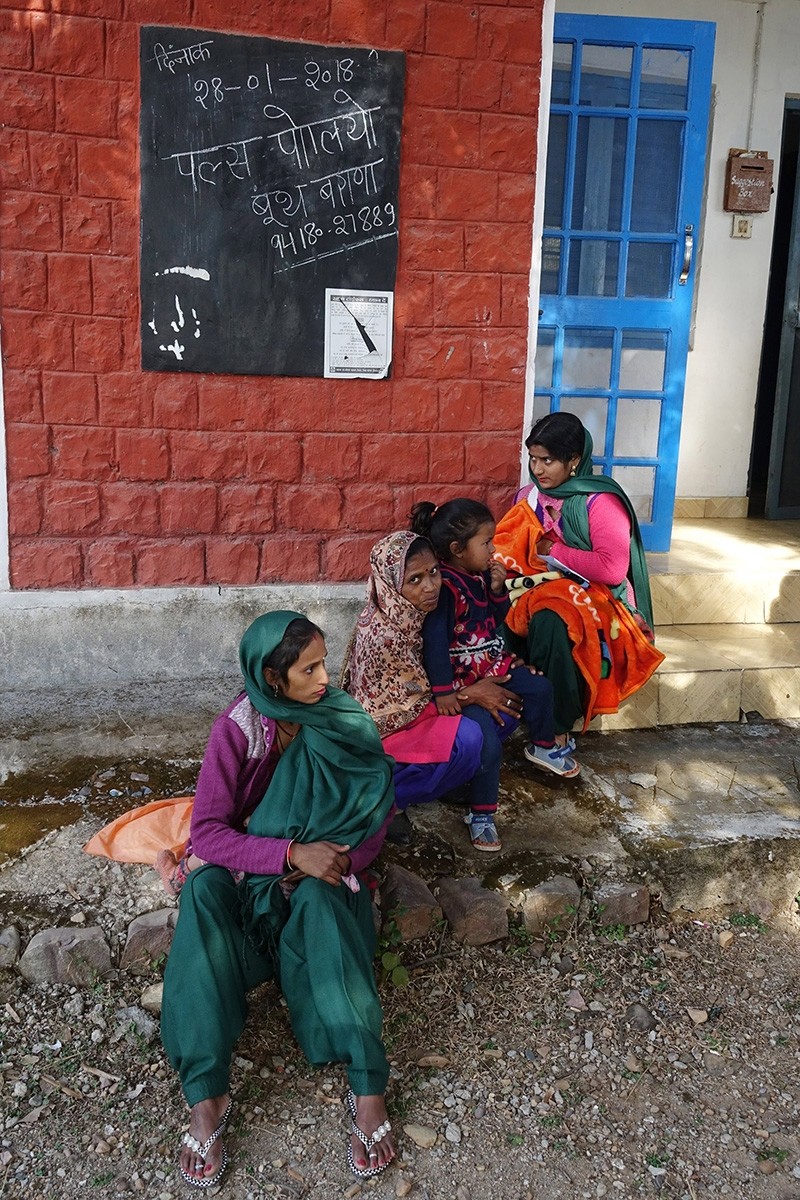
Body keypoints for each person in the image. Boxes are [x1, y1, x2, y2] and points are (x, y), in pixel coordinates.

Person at [161, 611, 397, 1189]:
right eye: (307, 669)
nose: (324, 678)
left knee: (319, 899)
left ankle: (369, 1084)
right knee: (202, 886)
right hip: (254, 886)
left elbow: (375, 812)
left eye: (324, 662)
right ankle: (206, 1094)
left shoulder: (339, 717)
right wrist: (290, 855)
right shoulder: (238, 731)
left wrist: (336, 861)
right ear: (272, 680)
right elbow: (211, 834)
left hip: (322, 885)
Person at [409, 499, 581, 854]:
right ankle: (482, 814)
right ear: (457, 550)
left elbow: (493, 619)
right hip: (461, 680)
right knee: (485, 735)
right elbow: (435, 644)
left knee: (539, 686)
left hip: (489, 666)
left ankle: (543, 746)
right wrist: (444, 692)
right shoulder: (445, 590)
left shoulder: (477, 577)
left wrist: (499, 591)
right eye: (486, 542)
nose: (493, 548)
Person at [493, 411, 665, 741]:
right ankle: (516, 699)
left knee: (552, 620)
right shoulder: (527, 497)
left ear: (574, 459)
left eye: (548, 460)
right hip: (538, 587)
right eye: (533, 459)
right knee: (499, 605)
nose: (538, 469)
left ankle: (555, 728)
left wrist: (552, 552)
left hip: (598, 595)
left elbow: (611, 569)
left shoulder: (601, 501)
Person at [341, 530, 484, 846]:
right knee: (470, 738)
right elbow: (400, 712)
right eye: (415, 580)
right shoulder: (384, 638)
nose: (431, 586)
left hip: (417, 719)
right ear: (391, 585)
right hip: (381, 739)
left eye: (433, 572)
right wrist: (470, 693)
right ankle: (386, 802)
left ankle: (436, 782)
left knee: (490, 718)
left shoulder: (415, 616)